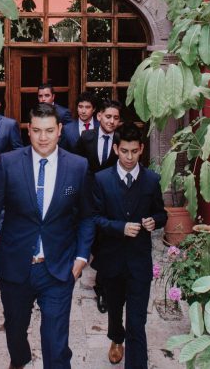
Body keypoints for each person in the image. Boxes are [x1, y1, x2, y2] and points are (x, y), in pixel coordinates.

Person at [0, 103, 95, 369]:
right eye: (37, 130)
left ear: (60, 130)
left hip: (58, 269)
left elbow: (86, 216)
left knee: (56, 344)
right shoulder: (8, 164)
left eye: (49, 130)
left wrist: (81, 257)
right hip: (15, 267)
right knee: (15, 331)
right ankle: (20, 359)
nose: (43, 137)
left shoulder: (78, 167)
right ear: (28, 130)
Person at [90, 123, 167, 367]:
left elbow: (162, 213)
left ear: (142, 149)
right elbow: (95, 219)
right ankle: (116, 337)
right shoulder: (101, 180)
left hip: (139, 262)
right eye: (125, 151)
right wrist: (119, 227)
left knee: (137, 322)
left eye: (134, 151)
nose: (130, 157)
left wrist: (154, 221)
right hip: (111, 261)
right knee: (114, 310)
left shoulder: (152, 180)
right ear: (116, 149)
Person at [73, 98, 123, 313]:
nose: (111, 121)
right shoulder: (87, 137)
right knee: (89, 240)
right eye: (108, 116)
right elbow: (75, 165)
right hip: (87, 199)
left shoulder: (121, 140)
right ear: (99, 116)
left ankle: (102, 289)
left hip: (111, 202)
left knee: (106, 247)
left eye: (116, 118)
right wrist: (70, 194)